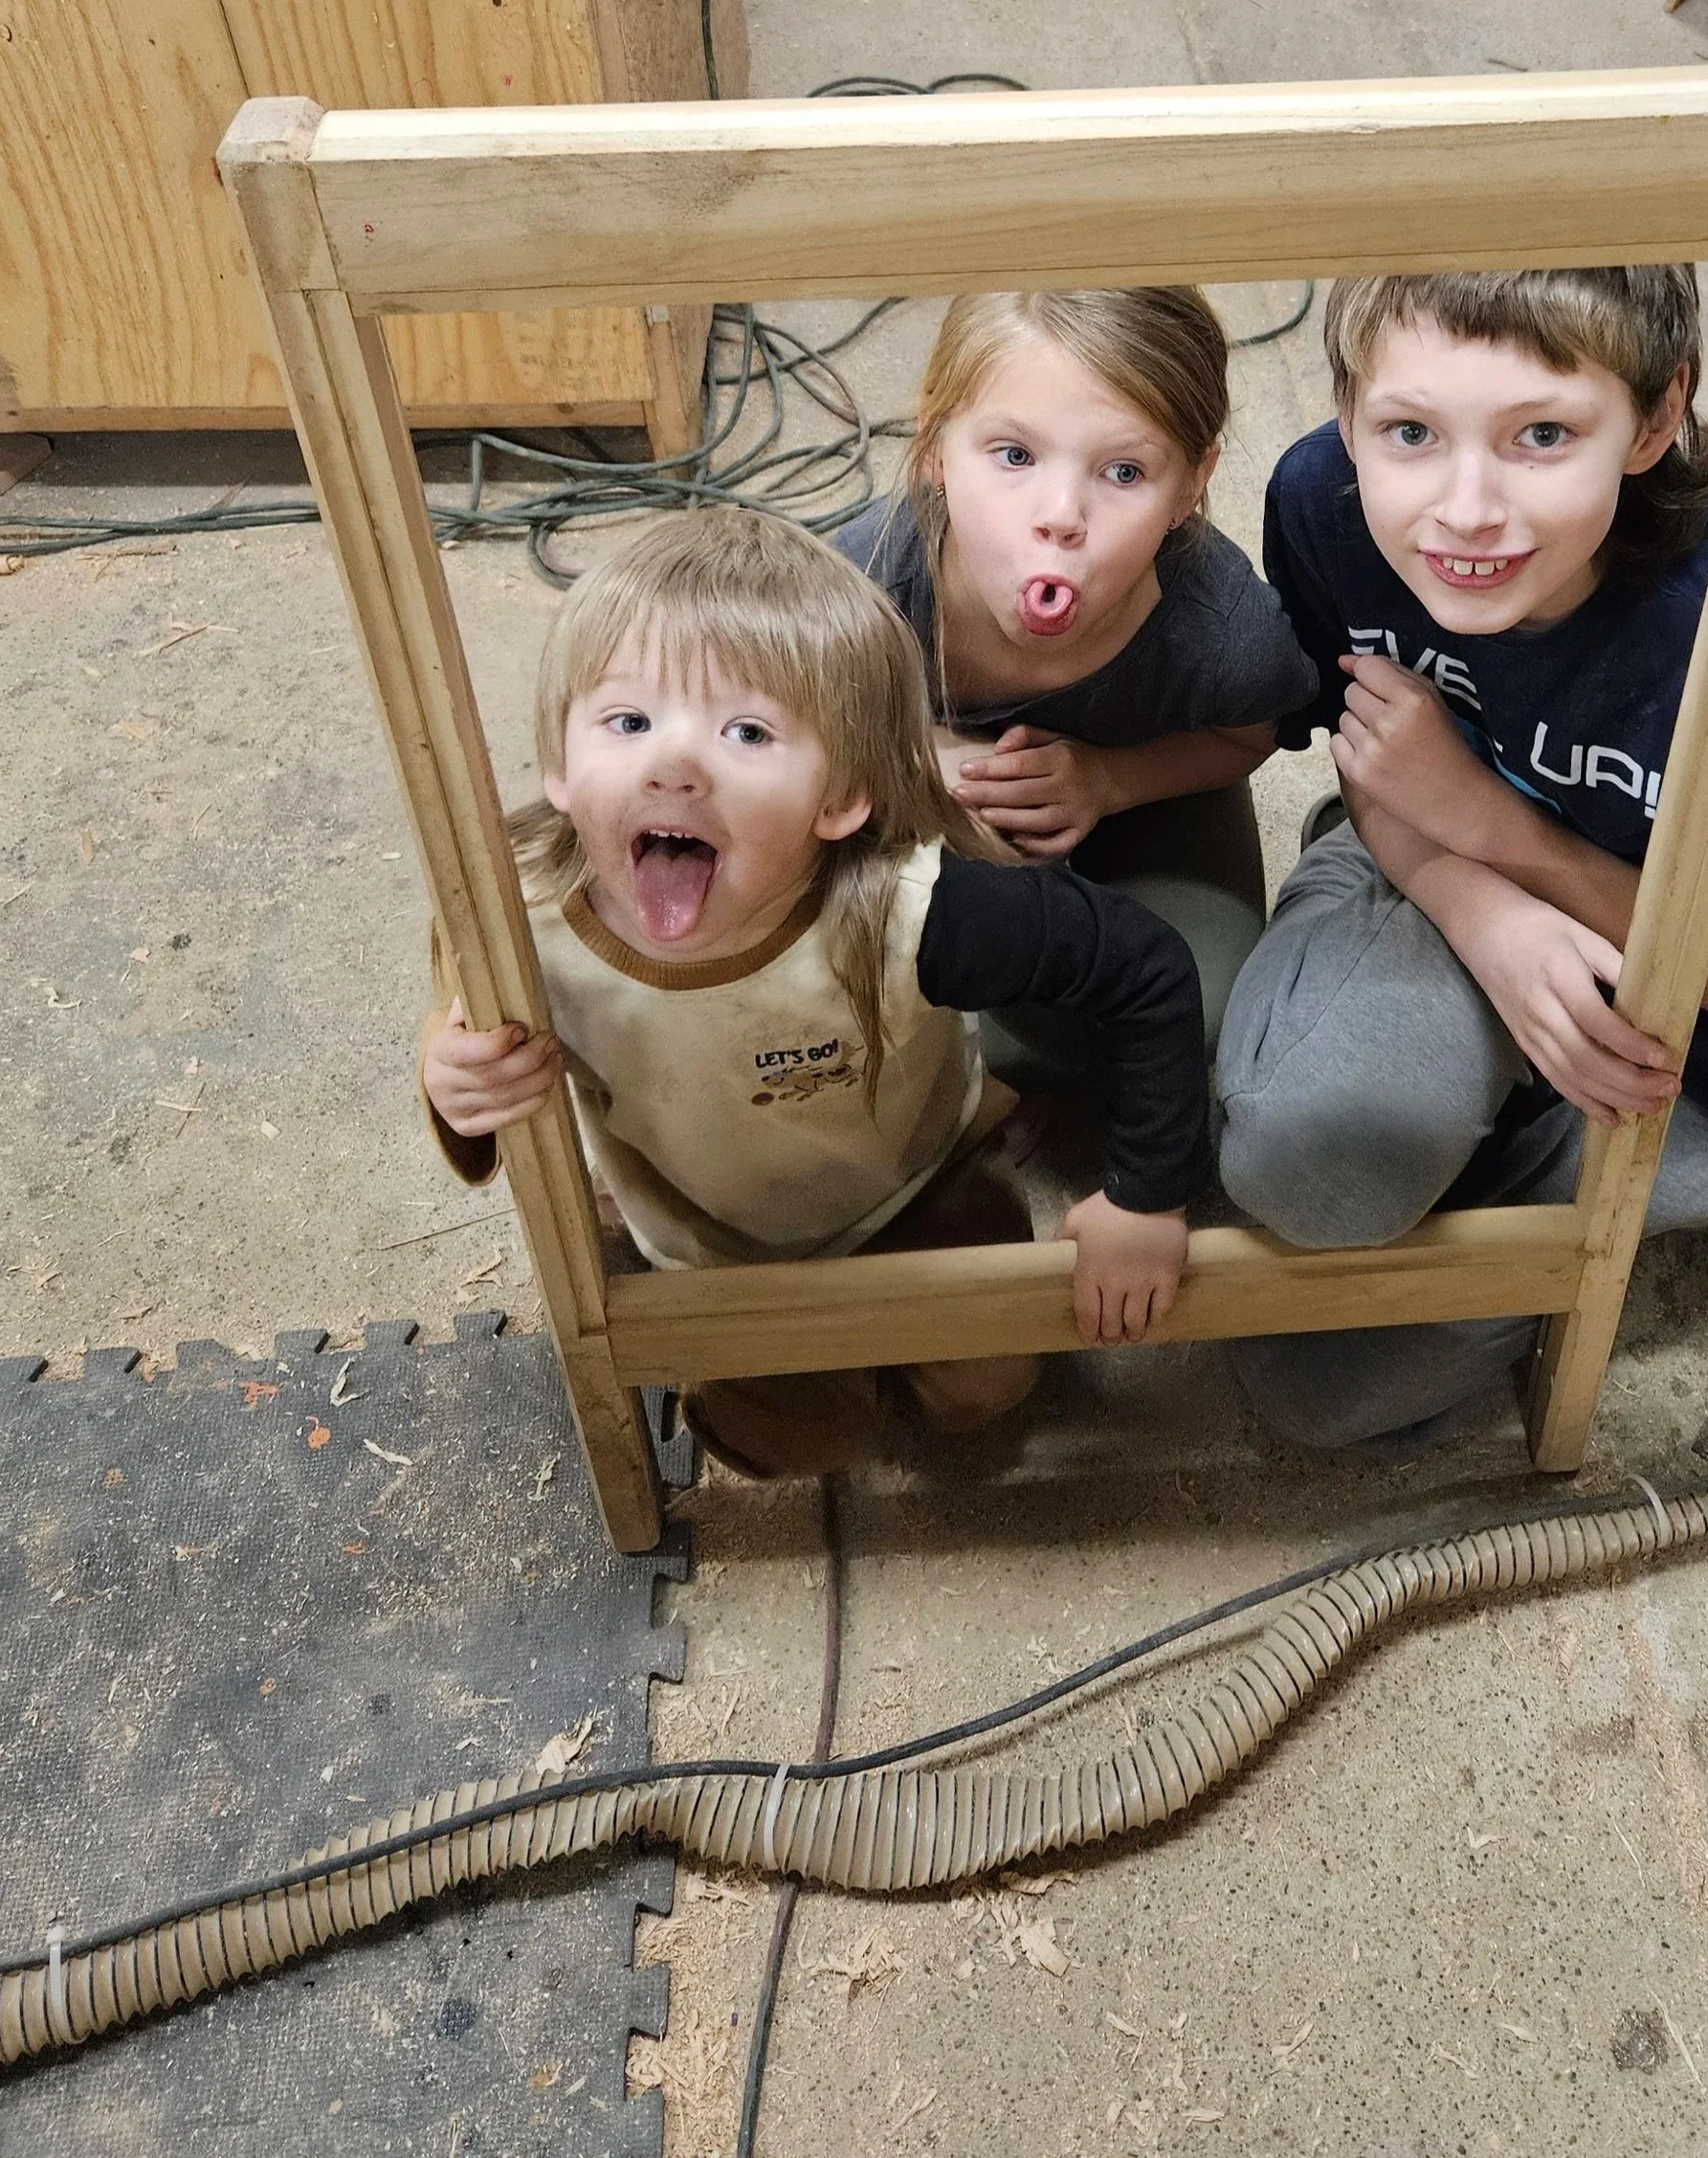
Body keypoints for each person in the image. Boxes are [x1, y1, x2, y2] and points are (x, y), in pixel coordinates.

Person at [1217, 267, 1708, 1451]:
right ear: (1347, 416)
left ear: (1655, 418)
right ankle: (1446, 1096)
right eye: (1409, 431)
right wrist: (1476, 903)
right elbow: (1375, 767)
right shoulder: (1326, 504)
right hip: (1433, 861)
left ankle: (1510, 1153)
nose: (1466, 509)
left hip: (1692, 1034)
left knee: (1306, 1395)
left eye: (1543, 433)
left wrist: (1494, 822)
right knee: (1304, 1167)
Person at [418, 508, 1211, 1479]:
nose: (672, 761)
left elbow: (1145, 966)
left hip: (916, 1183)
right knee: (791, 1442)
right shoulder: (516, 915)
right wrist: (452, 1078)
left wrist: (1146, 1194)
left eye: (747, 730)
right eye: (626, 721)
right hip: (699, 1234)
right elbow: (464, 1032)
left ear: (841, 796)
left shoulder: (912, 905)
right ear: (561, 769)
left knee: (984, 1394)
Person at [835, 287, 1316, 1062]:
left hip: (1142, 788)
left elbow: (1247, 735)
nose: (1061, 514)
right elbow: (777, 727)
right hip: (904, 777)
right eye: (1015, 455)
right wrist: (924, 754)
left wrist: (1109, 782)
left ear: (1192, 485)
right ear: (934, 444)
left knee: (1196, 1026)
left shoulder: (1223, 634)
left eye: (1124, 472)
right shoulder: (852, 591)